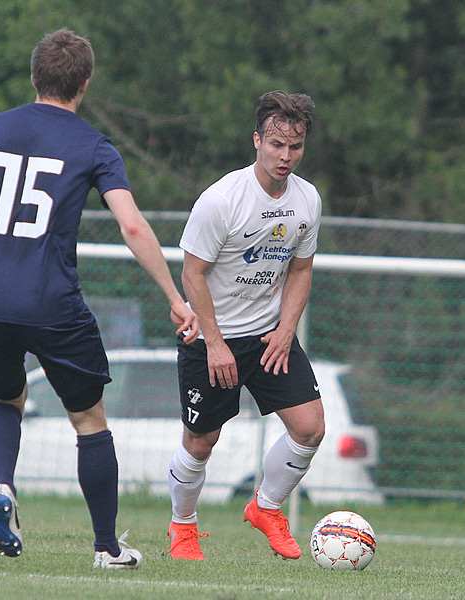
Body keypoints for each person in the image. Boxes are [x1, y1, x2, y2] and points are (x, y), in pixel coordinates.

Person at [0, 28, 198, 570]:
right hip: (52, 302)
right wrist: (174, 296)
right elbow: (131, 226)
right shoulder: (93, 145)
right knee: (88, 419)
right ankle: (106, 547)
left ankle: (4, 486)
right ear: (84, 84)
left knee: (6, 399)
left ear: (34, 77)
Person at [166, 90, 323, 561]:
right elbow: (192, 273)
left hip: (267, 336)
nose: (285, 156)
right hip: (212, 340)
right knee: (202, 440)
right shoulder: (221, 200)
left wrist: (284, 328)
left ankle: (267, 507)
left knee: (310, 428)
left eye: (294, 147)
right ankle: (183, 527)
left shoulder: (307, 199)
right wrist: (215, 344)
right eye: (276, 144)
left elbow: (300, 268)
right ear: (257, 140)